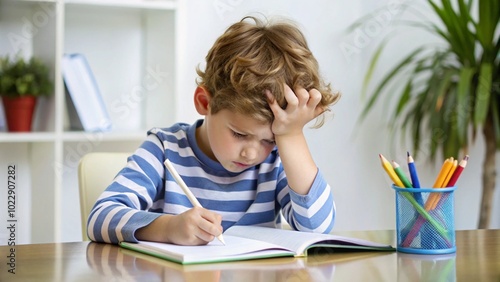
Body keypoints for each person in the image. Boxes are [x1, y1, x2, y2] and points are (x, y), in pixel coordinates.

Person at [87, 15, 341, 245]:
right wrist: (168, 228)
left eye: (270, 140)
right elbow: (101, 217)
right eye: (240, 134)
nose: (252, 154)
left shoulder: (276, 162)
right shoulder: (164, 150)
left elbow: (317, 229)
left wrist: (292, 137)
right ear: (205, 103)